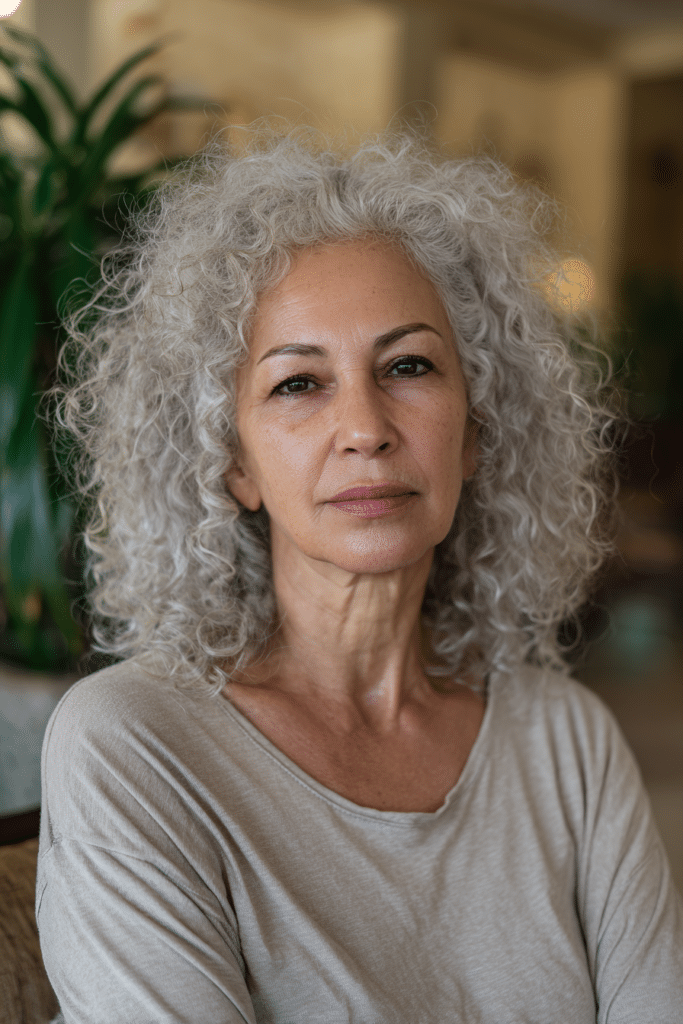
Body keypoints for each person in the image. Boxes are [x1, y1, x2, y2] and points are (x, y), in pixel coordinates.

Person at [37, 131, 682, 1024]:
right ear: (232, 464)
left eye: (407, 366)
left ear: (476, 433)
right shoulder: (135, 743)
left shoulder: (565, 740)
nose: (365, 427)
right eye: (298, 384)